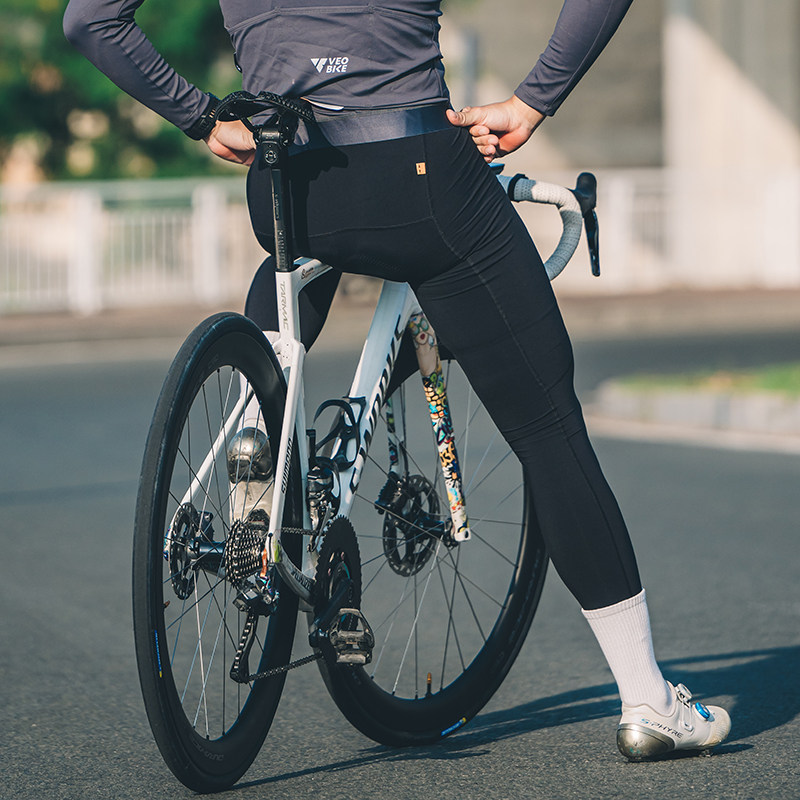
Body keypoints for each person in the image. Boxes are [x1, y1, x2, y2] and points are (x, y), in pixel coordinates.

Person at [63, 0, 730, 759]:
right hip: (418, 178)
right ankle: (648, 701)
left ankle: (260, 420)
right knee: (548, 429)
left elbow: (90, 20)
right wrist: (533, 98)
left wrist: (201, 116)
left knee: (296, 261)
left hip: (289, 178)